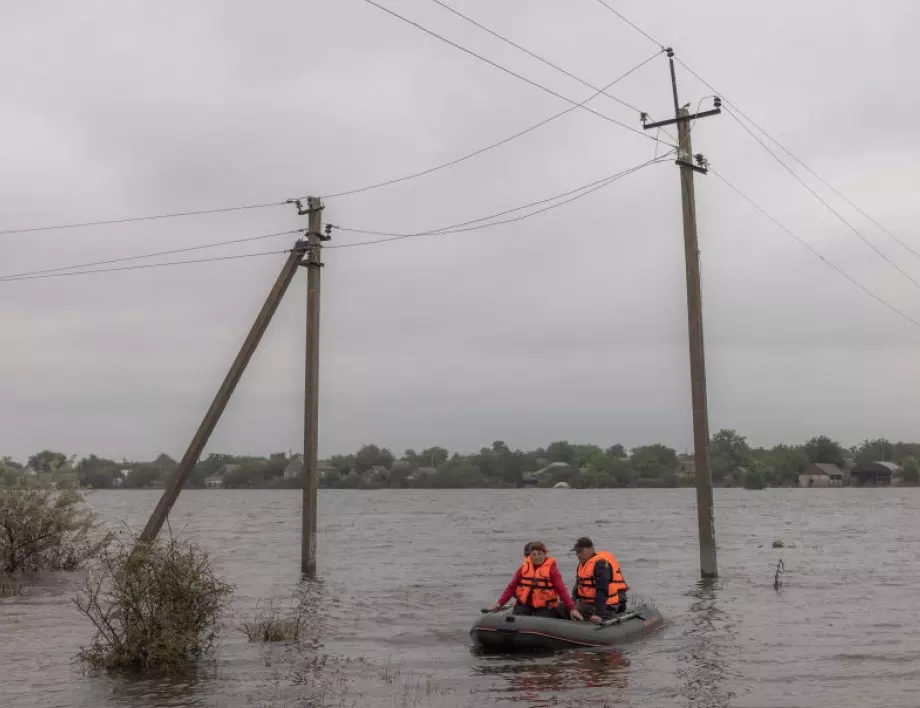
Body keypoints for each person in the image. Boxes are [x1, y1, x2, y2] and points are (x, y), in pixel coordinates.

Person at [489, 541, 584, 620]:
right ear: (530, 555)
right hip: (525, 605)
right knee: (516, 617)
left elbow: (562, 590)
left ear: (544, 553)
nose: (537, 557)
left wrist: (572, 608)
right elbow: (511, 587)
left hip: (544, 606)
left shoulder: (551, 570)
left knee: (543, 619)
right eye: (534, 554)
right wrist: (499, 604)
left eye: (539, 554)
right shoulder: (523, 568)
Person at [570, 537, 629, 624]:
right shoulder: (582, 565)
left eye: (580, 551)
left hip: (605, 607)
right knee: (562, 606)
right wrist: (572, 603)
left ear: (591, 549)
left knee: (577, 609)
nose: (578, 555)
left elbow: (602, 590)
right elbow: (577, 588)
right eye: (576, 552)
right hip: (588, 604)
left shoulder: (601, 565)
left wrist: (598, 614)